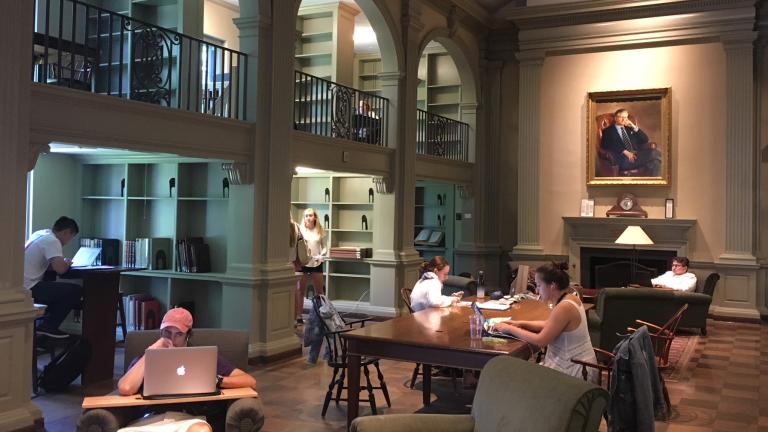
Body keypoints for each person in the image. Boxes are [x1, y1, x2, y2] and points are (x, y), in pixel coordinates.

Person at [117, 307, 260, 431]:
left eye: (178, 334)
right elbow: (125, 387)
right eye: (167, 332)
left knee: (201, 430)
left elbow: (249, 381)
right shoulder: (144, 359)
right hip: (149, 419)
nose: (172, 339)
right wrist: (150, 352)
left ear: (188, 336)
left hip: (188, 419)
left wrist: (215, 380)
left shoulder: (202, 358)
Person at [491, 262, 598, 382]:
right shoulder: (570, 297)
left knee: (516, 375)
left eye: (538, 285)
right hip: (579, 364)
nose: (537, 291)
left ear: (552, 285)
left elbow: (540, 340)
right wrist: (520, 324)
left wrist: (509, 329)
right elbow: (550, 325)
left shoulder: (563, 307)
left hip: (574, 370)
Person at [24, 216, 82, 338]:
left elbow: (50, 265)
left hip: (21, 284)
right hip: (29, 286)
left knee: (56, 289)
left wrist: (60, 263)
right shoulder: (53, 241)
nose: (68, 241)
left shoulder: (40, 234)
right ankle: (48, 327)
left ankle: (42, 330)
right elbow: (60, 269)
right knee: (75, 291)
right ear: (66, 232)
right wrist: (67, 262)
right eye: (70, 237)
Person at [600, 108, 661, 176]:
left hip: (637, 156)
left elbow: (645, 139)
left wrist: (633, 126)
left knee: (655, 162)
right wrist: (624, 151)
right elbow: (605, 144)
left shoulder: (629, 129)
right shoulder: (608, 131)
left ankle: (653, 184)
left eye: (626, 117)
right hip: (623, 159)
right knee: (654, 153)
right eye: (621, 117)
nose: (624, 120)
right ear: (615, 118)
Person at [295, 208, 326, 325]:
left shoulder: (320, 230)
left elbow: (324, 247)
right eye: (306, 215)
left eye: (310, 215)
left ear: (315, 217)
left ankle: (321, 315)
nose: (308, 217)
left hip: (316, 262)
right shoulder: (300, 230)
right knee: (300, 290)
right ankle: (299, 316)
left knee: (320, 291)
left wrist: (321, 255)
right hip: (303, 262)